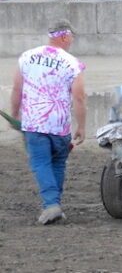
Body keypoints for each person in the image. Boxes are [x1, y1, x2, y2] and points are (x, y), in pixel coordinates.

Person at [11, 19, 86, 224]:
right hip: (60, 125)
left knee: (41, 163)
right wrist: (82, 126)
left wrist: (14, 114)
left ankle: (51, 205)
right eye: (71, 37)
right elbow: (79, 97)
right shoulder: (72, 63)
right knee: (58, 163)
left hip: (34, 123)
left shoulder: (26, 57)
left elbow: (17, 89)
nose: (71, 41)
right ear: (64, 36)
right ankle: (54, 204)